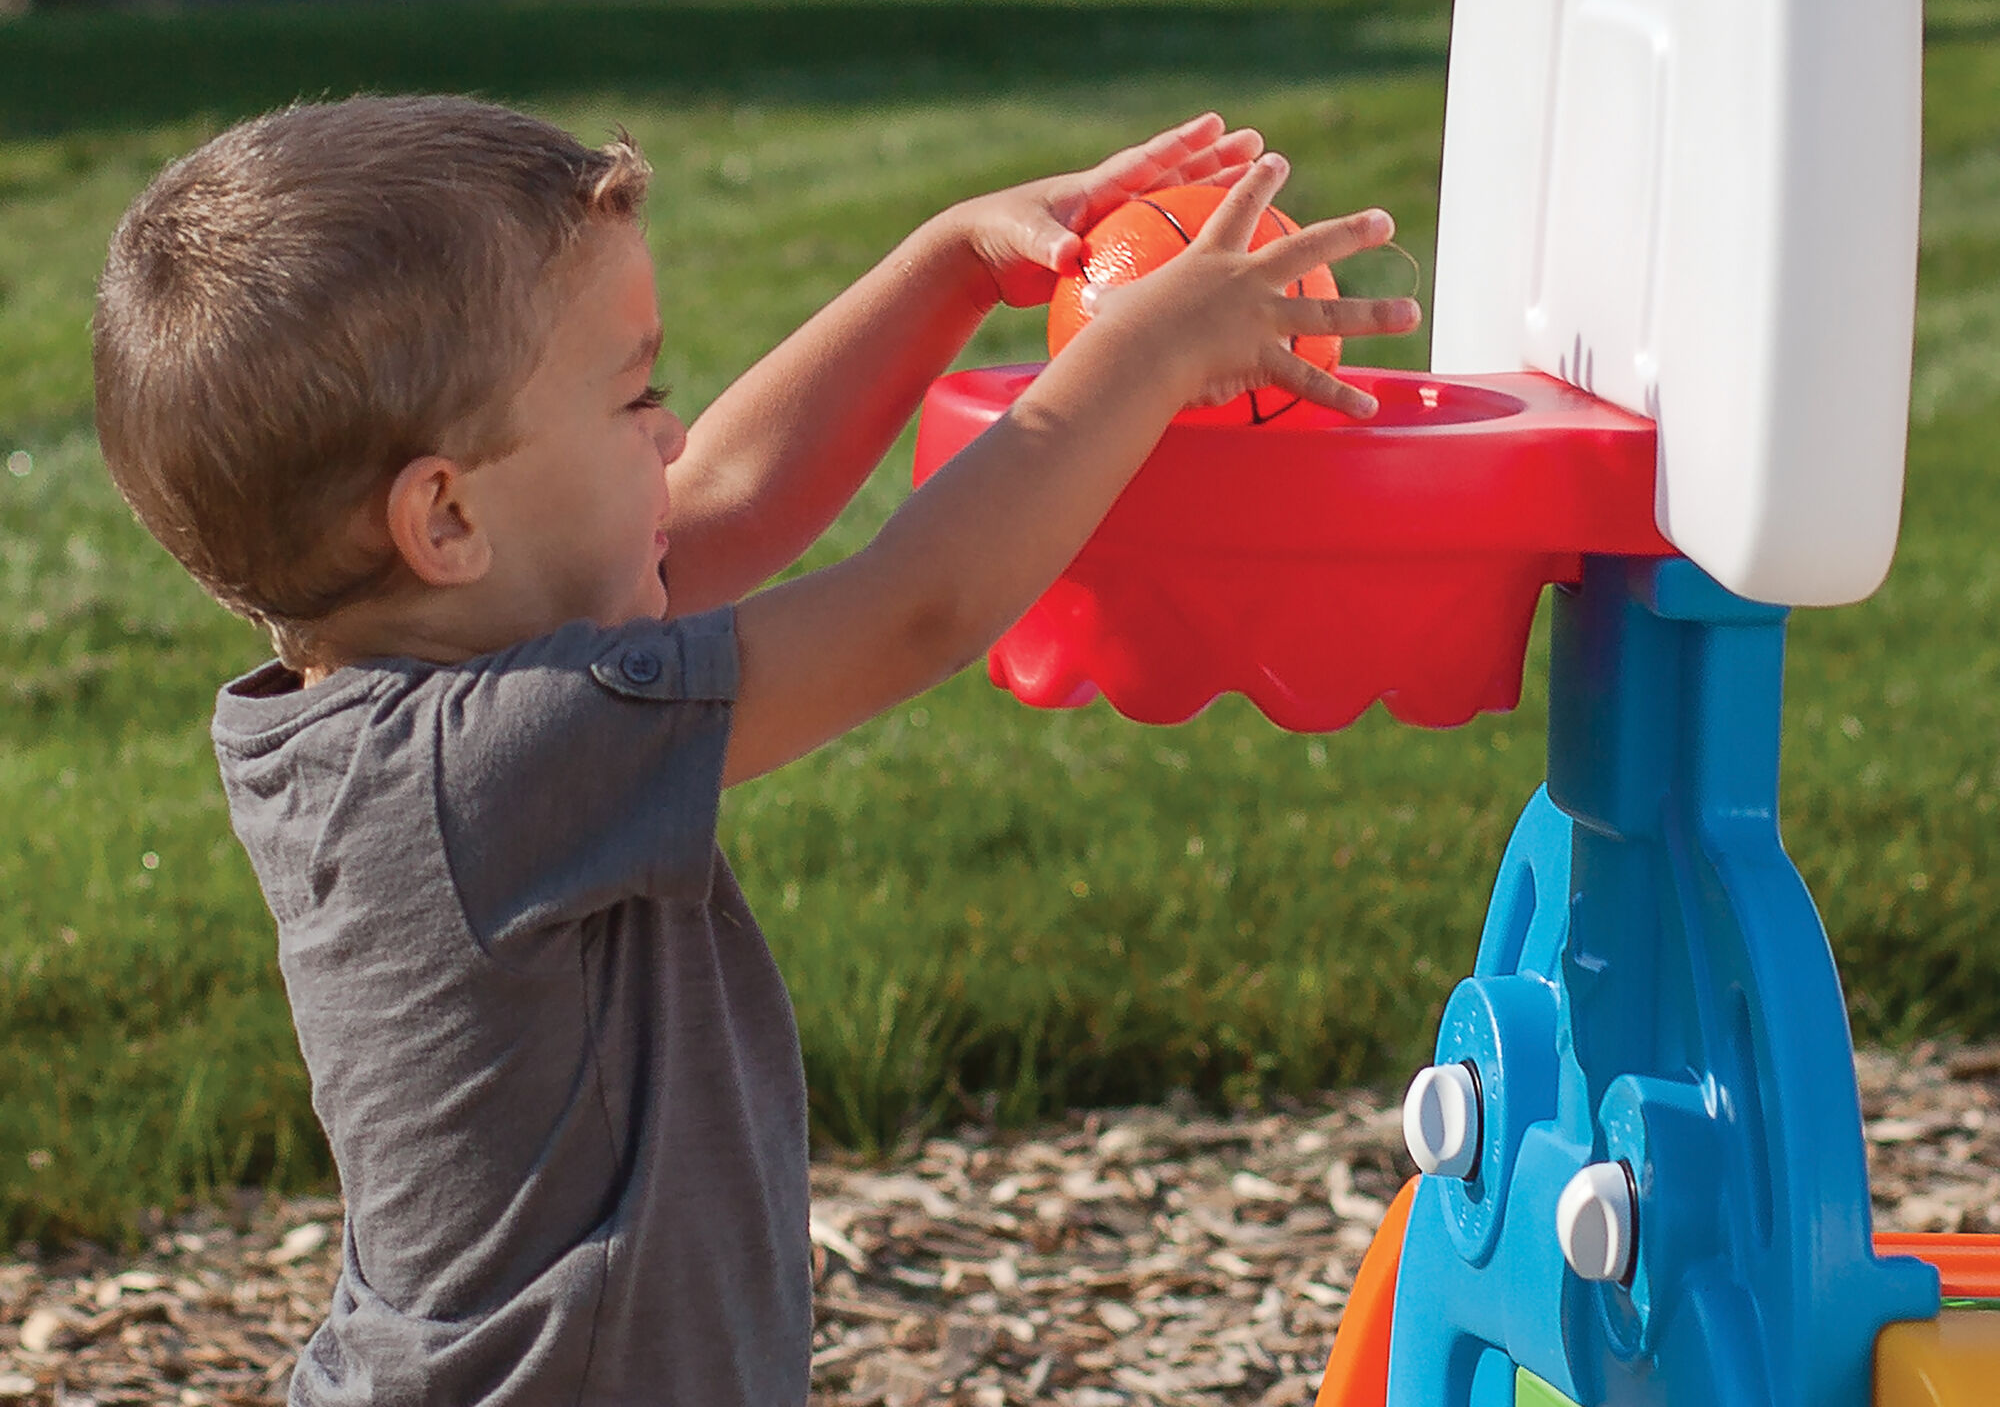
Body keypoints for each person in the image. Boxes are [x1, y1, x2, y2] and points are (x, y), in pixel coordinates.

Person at [91, 93, 1419, 1406]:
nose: (670, 433)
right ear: (444, 518)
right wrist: (1148, 355)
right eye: (635, 399)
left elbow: (726, 498)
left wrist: (949, 265)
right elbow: (919, 611)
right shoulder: (489, 763)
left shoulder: (398, 689)